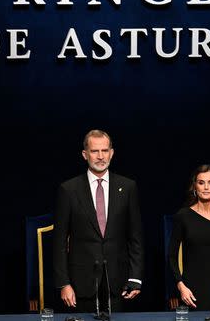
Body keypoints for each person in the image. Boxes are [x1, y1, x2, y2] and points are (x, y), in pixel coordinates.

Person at [53, 129, 144, 314]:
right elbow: (59, 241)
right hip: (81, 283)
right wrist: (64, 283)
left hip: (118, 282)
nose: (101, 156)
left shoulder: (127, 187)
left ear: (112, 152)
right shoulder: (69, 190)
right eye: (95, 151)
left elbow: (136, 236)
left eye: (105, 150)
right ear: (85, 154)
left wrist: (136, 277)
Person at [168, 164, 210, 311]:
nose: (206, 187)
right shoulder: (183, 216)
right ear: (194, 187)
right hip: (190, 291)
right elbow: (171, 256)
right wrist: (181, 286)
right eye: (201, 183)